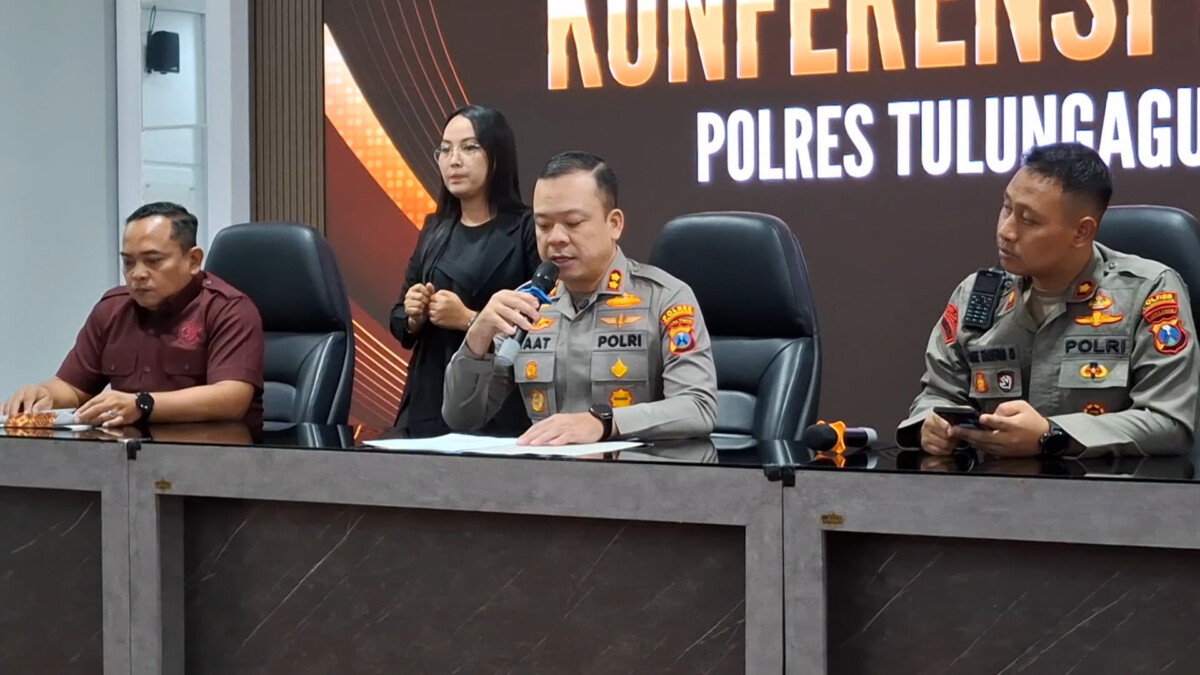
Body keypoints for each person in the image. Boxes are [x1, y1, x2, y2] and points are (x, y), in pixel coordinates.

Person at [897, 142, 1199, 458]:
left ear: (1081, 232)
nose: (1006, 231)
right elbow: (937, 396)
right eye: (1006, 208)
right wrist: (929, 426)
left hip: (1105, 485)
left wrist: (1052, 435)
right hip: (992, 485)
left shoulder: (1149, 291)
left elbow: (1168, 422)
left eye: (1029, 220)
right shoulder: (978, 295)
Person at [442, 151, 718, 445]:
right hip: (548, 470)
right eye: (543, 225)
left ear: (614, 224)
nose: (556, 238)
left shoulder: (666, 298)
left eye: (573, 223)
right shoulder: (527, 304)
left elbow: (697, 407)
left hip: (639, 469)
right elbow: (462, 417)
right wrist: (478, 336)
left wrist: (605, 422)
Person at [1, 202, 264, 427]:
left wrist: (143, 404)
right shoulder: (112, 309)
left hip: (214, 456)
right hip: (128, 457)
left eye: (153, 261)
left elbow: (232, 398)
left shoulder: (228, 309)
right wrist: (43, 394)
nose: (137, 274)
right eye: (128, 262)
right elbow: (73, 388)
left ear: (193, 260)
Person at [389, 105, 539, 438]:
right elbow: (399, 320)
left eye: (469, 148)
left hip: (494, 401)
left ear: (497, 156)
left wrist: (470, 320)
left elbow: (541, 331)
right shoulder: (435, 227)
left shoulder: (526, 229)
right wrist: (413, 315)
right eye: (445, 150)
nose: (453, 160)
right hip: (427, 398)